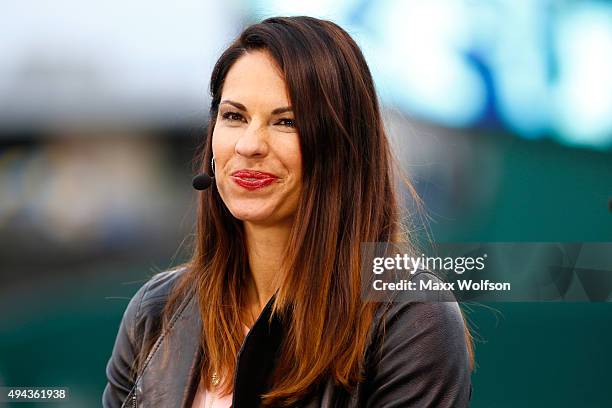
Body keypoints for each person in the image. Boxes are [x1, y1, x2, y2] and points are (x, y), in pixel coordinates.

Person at [102, 15, 473, 408]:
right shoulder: (155, 313)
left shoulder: (410, 318)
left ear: (342, 150)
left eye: (286, 121)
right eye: (234, 116)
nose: (249, 145)